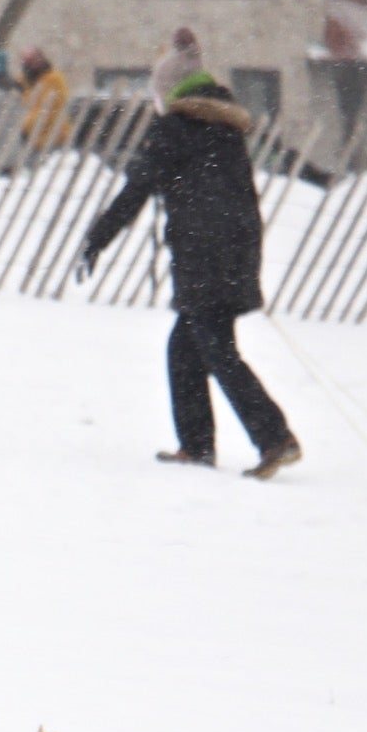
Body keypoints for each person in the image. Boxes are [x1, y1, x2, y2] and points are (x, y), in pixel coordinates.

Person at [75, 28, 301, 479]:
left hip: (203, 255)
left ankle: (274, 437)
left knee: (214, 349)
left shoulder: (175, 130)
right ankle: (196, 446)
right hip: (237, 251)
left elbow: (136, 189)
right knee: (186, 348)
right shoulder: (226, 130)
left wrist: (97, 236)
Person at [17, 47, 74, 157]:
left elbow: (48, 109)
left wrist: (25, 127)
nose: (29, 64)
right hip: (34, 142)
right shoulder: (26, 80)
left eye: (32, 60)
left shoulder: (53, 79)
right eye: (26, 60)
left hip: (54, 140)